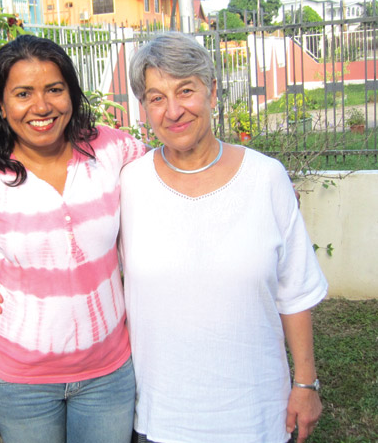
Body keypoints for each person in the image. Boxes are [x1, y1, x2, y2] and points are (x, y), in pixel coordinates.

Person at [119, 31, 327, 443]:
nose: (173, 110)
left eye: (186, 91)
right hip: (163, 418)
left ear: (213, 92)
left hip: (256, 416)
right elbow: (82, 242)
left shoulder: (266, 177)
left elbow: (296, 290)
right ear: (143, 108)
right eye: (157, 98)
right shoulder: (129, 184)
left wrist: (306, 384)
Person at [0, 34, 146, 443]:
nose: (41, 107)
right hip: (20, 380)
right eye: (23, 93)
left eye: (54, 90)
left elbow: (169, 180)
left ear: (72, 95)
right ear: (1, 106)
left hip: (107, 372)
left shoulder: (113, 149)